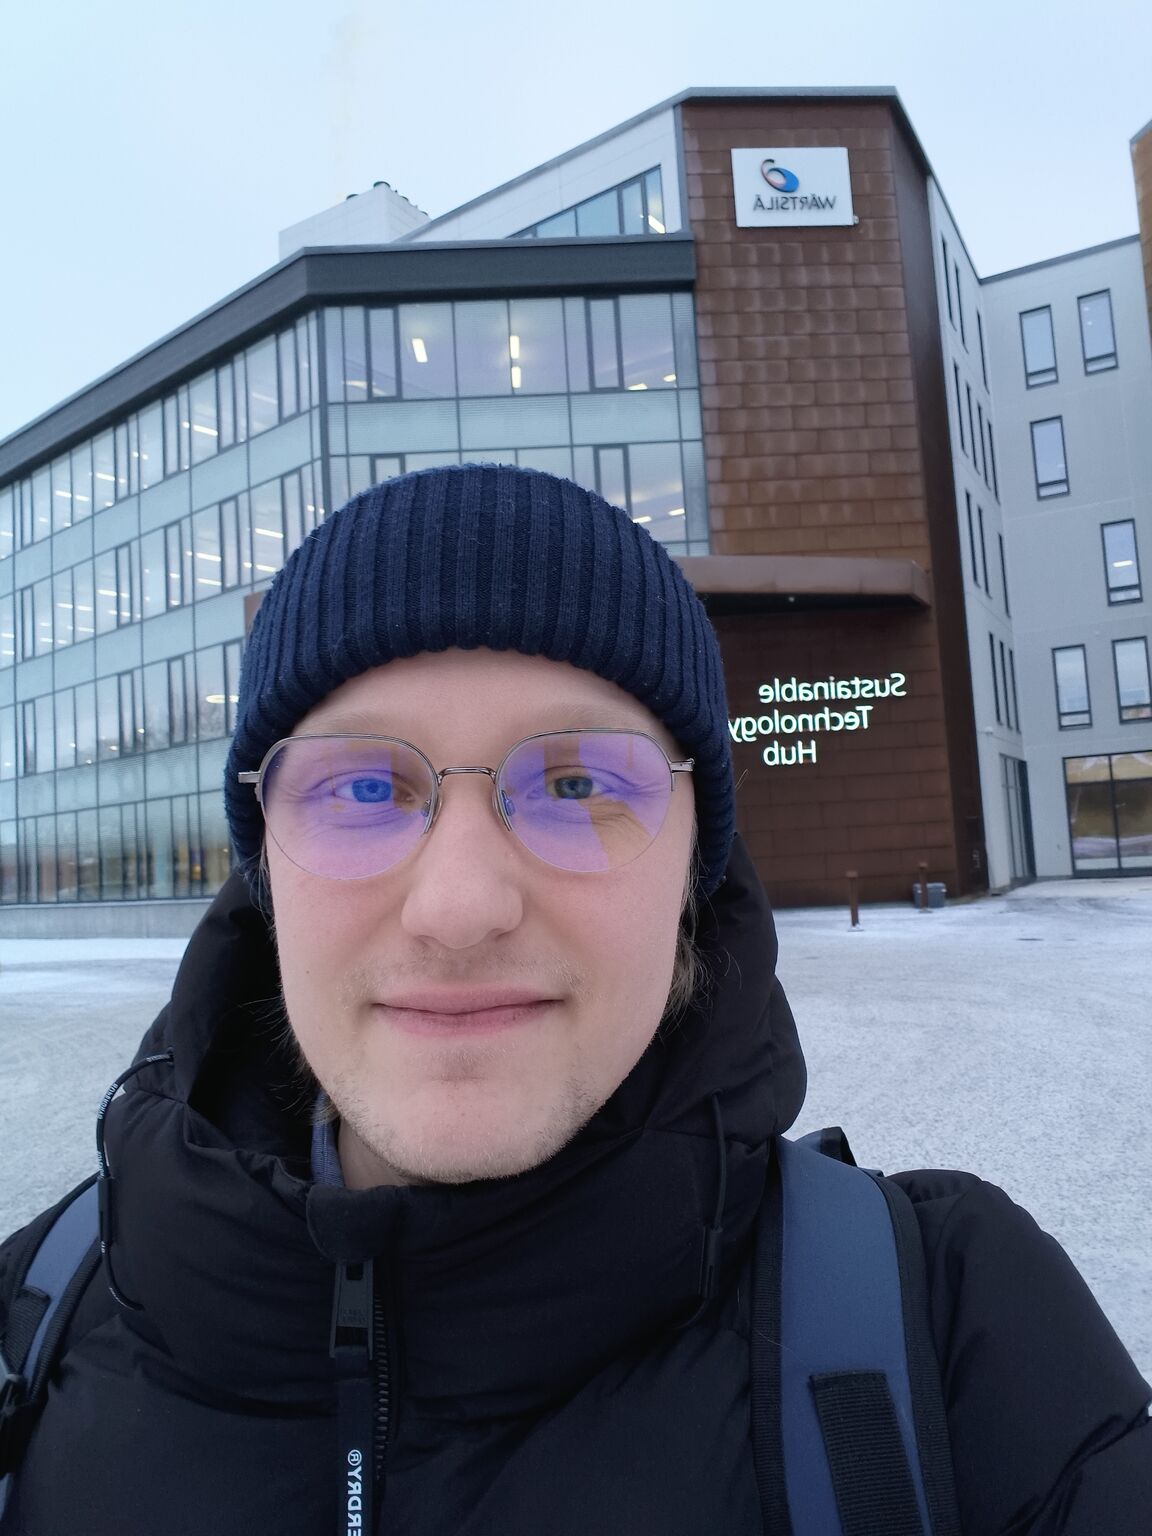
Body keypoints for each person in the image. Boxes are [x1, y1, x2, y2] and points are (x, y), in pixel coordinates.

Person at [1, 463, 1149, 1534]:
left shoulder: (953, 1339)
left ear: (695, 870)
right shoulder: (29, 1328)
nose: (459, 906)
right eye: (362, 788)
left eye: (575, 780)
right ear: (266, 867)